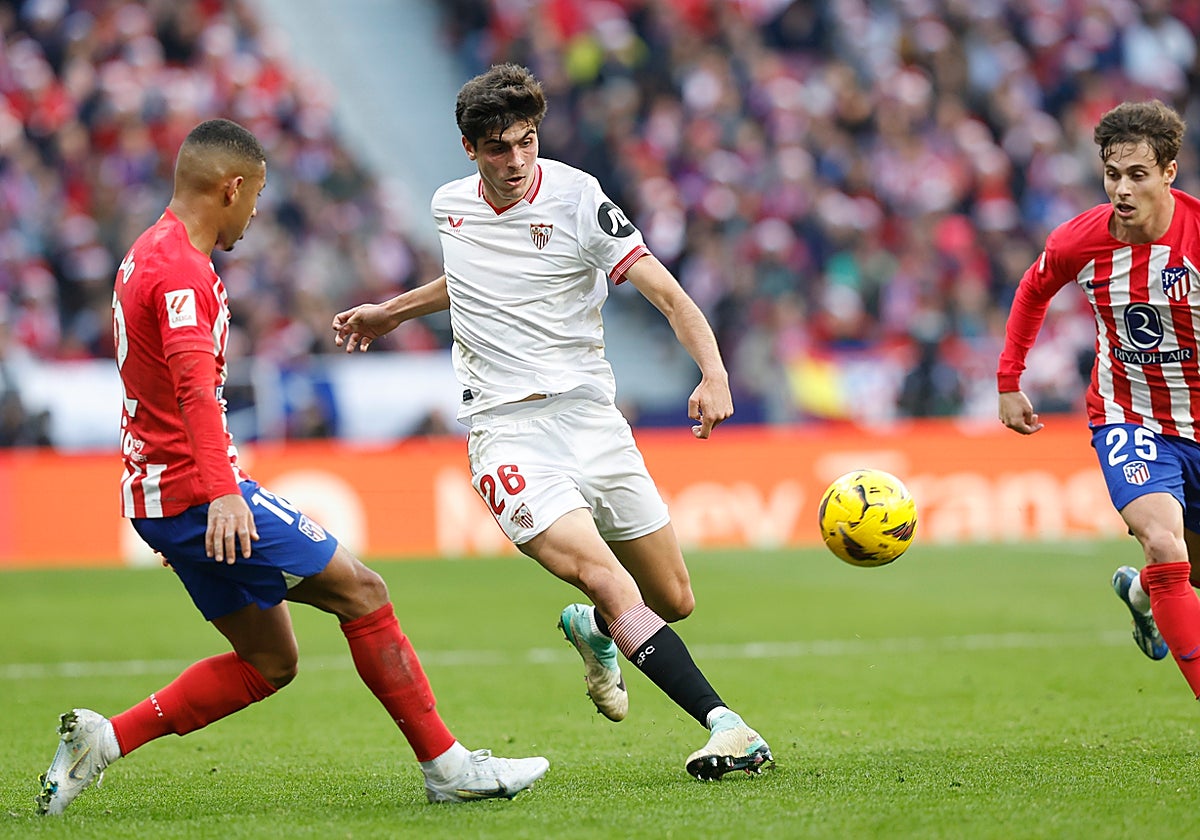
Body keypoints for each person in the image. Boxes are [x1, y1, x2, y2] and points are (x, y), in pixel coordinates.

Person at [36, 118, 548, 816]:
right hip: (194, 490)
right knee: (363, 593)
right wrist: (218, 497)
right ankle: (448, 767)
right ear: (232, 187)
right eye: (256, 197)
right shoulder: (182, 270)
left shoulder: (146, 252)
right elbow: (191, 393)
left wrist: (172, 515)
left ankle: (105, 740)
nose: (254, 213)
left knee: (271, 663)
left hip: (165, 497)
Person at [332, 64, 772, 781]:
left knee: (672, 599)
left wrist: (714, 372)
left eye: (527, 142)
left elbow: (664, 289)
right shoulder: (450, 206)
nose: (516, 161)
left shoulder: (577, 199)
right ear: (470, 148)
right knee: (605, 575)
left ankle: (593, 634)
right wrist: (392, 311)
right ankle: (727, 724)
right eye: (499, 147)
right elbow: (469, 275)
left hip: (593, 418)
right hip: (506, 432)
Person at [997, 99, 1200, 693]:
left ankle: (1142, 594)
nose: (1122, 189)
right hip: (1127, 418)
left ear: (1168, 171)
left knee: (1183, 571)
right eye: (1113, 174)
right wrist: (1009, 381)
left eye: (1138, 174)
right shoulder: (1078, 241)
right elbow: (1032, 292)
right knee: (1163, 542)